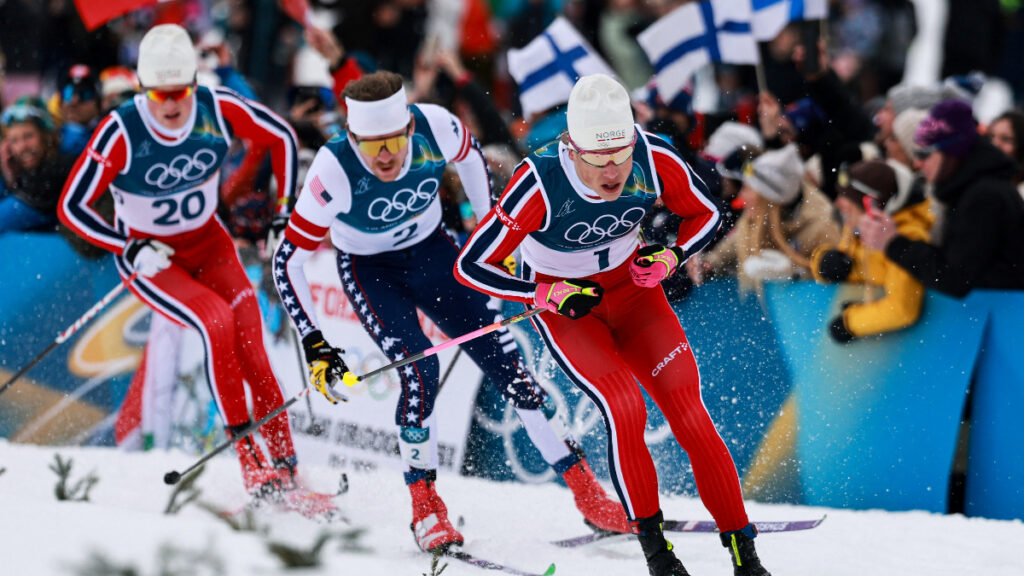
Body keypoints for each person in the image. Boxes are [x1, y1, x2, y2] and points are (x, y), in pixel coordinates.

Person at [271, 70, 629, 553]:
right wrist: (315, 341)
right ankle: (425, 509)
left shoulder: (436, 124)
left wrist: (486, 228)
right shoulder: (333, 169)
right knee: (420, 369)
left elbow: (471, 157)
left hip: (437, 255)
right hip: (371, 271)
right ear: (351, 135)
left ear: (410, 129)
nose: (384, 155)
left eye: (393, 141)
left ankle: (587, 492)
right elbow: (286, 256)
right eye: (369, 144)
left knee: (512, 371)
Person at [454, 73, 772, 576]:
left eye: (620, 156)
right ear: (573, 149)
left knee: (691, 415)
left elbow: (706, 214)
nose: (613, 172)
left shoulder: (652, 154)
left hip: (635, 294)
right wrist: (542, 292)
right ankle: (657, 555)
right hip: (571, 310)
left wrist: (671, 256)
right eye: (598, 160)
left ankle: (745, 556)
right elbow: (472, 264)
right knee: (624, 408)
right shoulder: (538, 181)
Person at [57, 24, 307, 502]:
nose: (172, 105)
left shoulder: (215, 107)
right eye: (159, 94)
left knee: (252, 345)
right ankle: (251, 461)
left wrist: (284, 213)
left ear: (194, 83)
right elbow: (72, 206)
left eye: (181, 92)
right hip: (154, 260)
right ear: (143, 89)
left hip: (210, 245)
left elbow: (281, 137)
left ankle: (287, 464)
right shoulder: (122, 130)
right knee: (215, 323)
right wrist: (126, 246)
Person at [859, 99, 1024, 296]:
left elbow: (954, 279)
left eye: (924, 153)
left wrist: (894, 243)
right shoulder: (971, 189)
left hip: (1005, 319)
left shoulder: (984, 196)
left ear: (951, 152)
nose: (918, 163)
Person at [686, 144, 839, 292]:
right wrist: (709, 264)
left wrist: (795, 274)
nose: (741, 196)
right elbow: (735, 242)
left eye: (747, 188)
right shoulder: (760, 214)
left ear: (769, 198)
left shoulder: (822, 224)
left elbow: (836, 279)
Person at [810, 159, 933, 342]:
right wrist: (822, 262)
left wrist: (850, 323)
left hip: (905, 352)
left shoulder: (907, 238)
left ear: (872, 205)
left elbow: (902, 309)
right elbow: (850, 268)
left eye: (847, 198)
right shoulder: (857, 227)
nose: (838, 203)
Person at [1, 97, 75, 233]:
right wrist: (9, 176)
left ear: (46, 135)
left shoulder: (61, 170)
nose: (22, 147)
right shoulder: (22, 174)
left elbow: (9, 216)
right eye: (14, 140)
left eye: (29, 136)